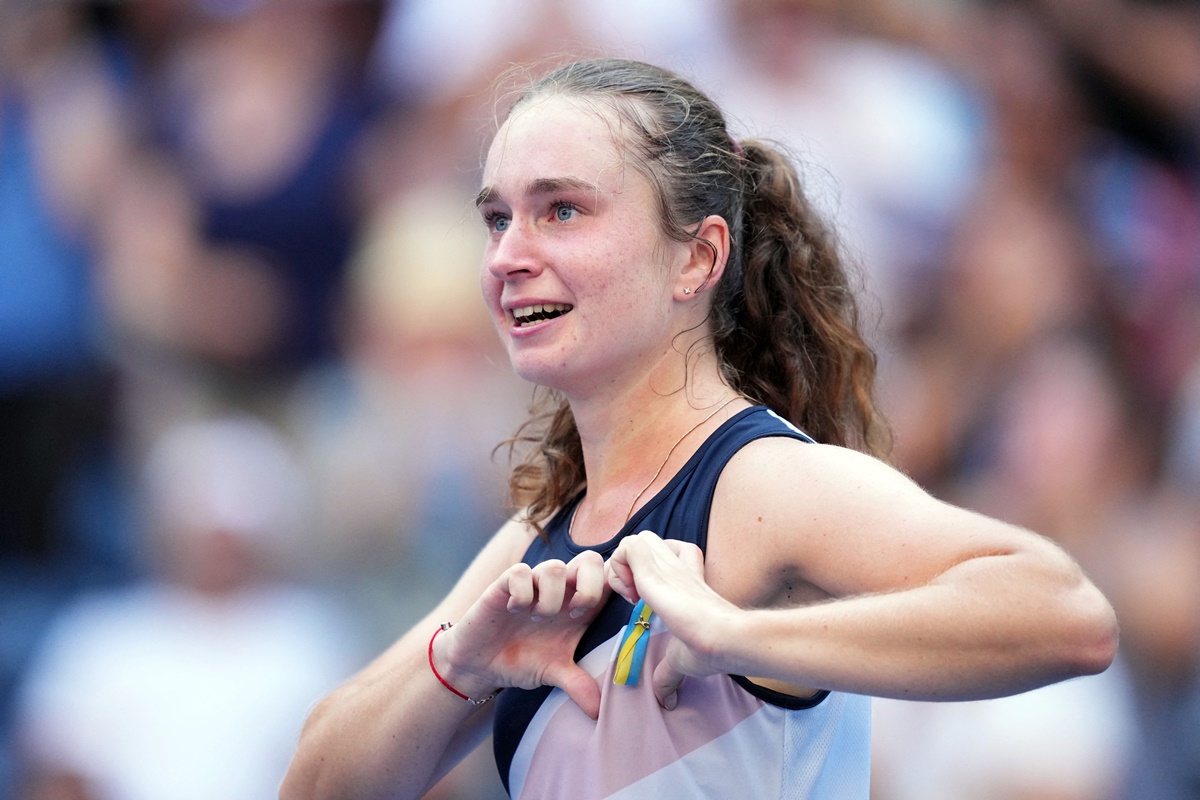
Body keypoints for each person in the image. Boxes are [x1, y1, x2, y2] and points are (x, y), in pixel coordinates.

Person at [280, 57, 1118, 800]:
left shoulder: (758, 484)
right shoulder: (542, 536)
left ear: (698, 257)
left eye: (562, 211)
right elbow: (316, 783)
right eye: (498, 218)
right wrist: (460, 667)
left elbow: (1067, 614)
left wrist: (739, 637)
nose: (507, 255)